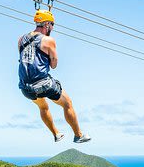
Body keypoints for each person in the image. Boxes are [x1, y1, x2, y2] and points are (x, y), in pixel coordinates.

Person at [18, 9, 90, 143]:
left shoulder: (21, 39)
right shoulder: (48, 40)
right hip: (43, 84)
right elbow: (53, 65)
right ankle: (78, 135)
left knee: (43, 107)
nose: (52, 28)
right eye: (52, 25)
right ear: (46, 24)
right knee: (67, 103)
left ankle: (56, 134)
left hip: (25, 87)